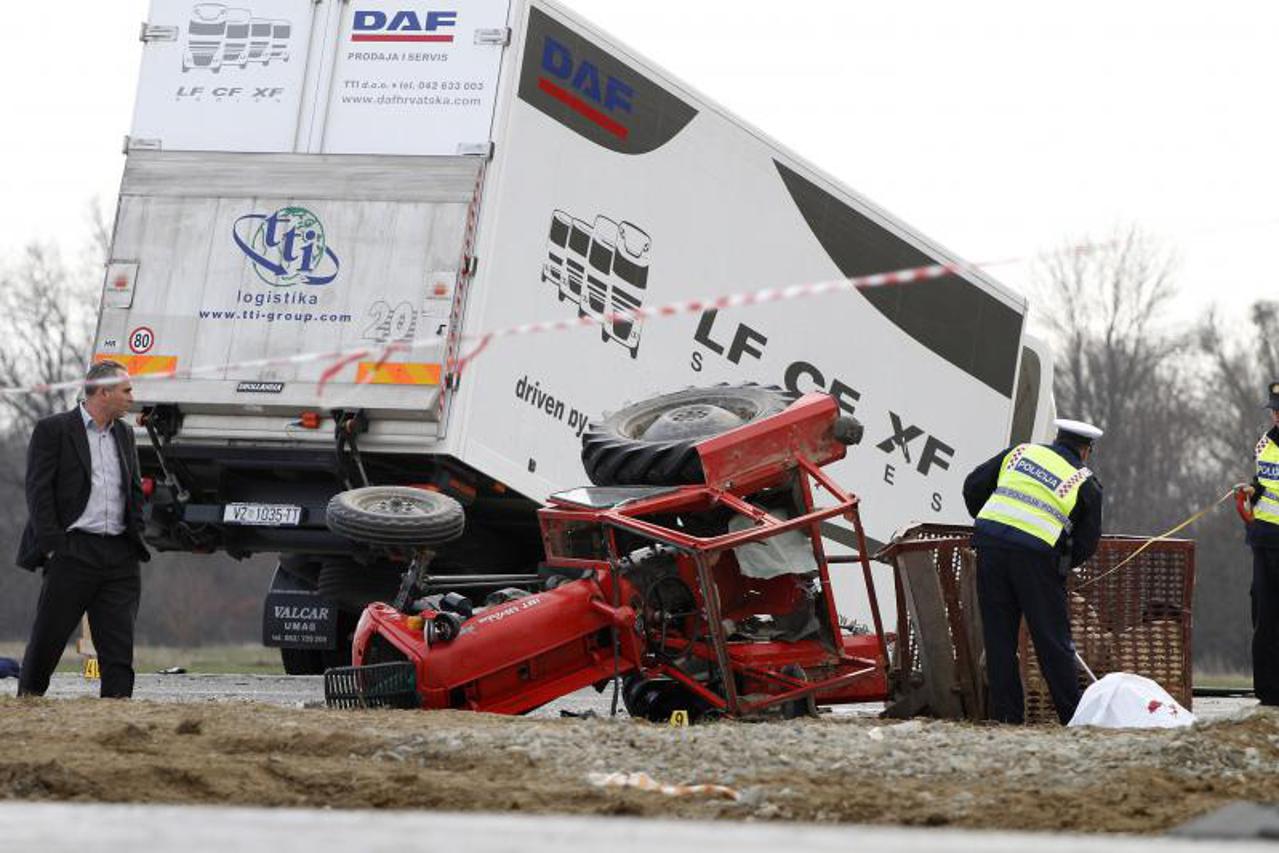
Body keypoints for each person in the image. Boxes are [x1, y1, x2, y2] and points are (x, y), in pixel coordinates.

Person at [15, 360, 150, 698]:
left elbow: (133, 489)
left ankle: (118, 722)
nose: (132, 397)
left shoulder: (125, 433)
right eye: (126, 390)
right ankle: (27, 706)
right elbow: (38, 491)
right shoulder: (53, 430)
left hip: (120, 556)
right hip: (72, 552)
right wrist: (54, 545)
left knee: (118, 652)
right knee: (48, 641)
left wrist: (136, 535)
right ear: (103, 392)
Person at [962, 419, 1104, 724]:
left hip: (990, 547)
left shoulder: (1020, 453)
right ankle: (1072, 717)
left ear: (1056, 439)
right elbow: (1087, 543)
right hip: (1036, 559)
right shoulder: (1084, 481)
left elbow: (973, 486)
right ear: (1086, 450)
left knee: (999, 639)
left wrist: (993, 523)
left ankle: (1007, 718)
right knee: (1052, 640)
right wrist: (1061, 565)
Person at [1242, 382, 1279, 706]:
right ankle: (1267, 692)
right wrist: (1253, 490)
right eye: (1275, 411)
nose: (1276, 416)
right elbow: (1265, 481)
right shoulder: (1264, 443)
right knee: (1264, 615)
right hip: (1265, 540)